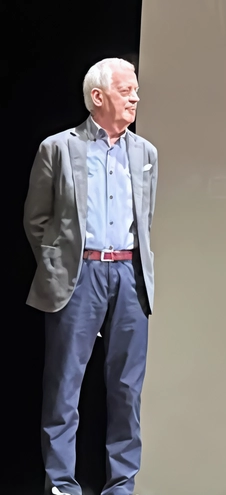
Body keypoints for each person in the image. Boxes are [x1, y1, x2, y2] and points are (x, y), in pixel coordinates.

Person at [24, 57, 159, 495]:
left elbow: (146, 217)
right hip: (79, 274)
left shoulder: (145, 153)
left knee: (125, 389)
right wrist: (58, 266)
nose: (135, 97)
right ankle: (61, 484)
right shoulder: (58, 148)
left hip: (128, 273)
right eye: (126, 91)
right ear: (98, 97)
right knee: (65, 386)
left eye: (136, 90)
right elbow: (37, 220)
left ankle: (122, 484)